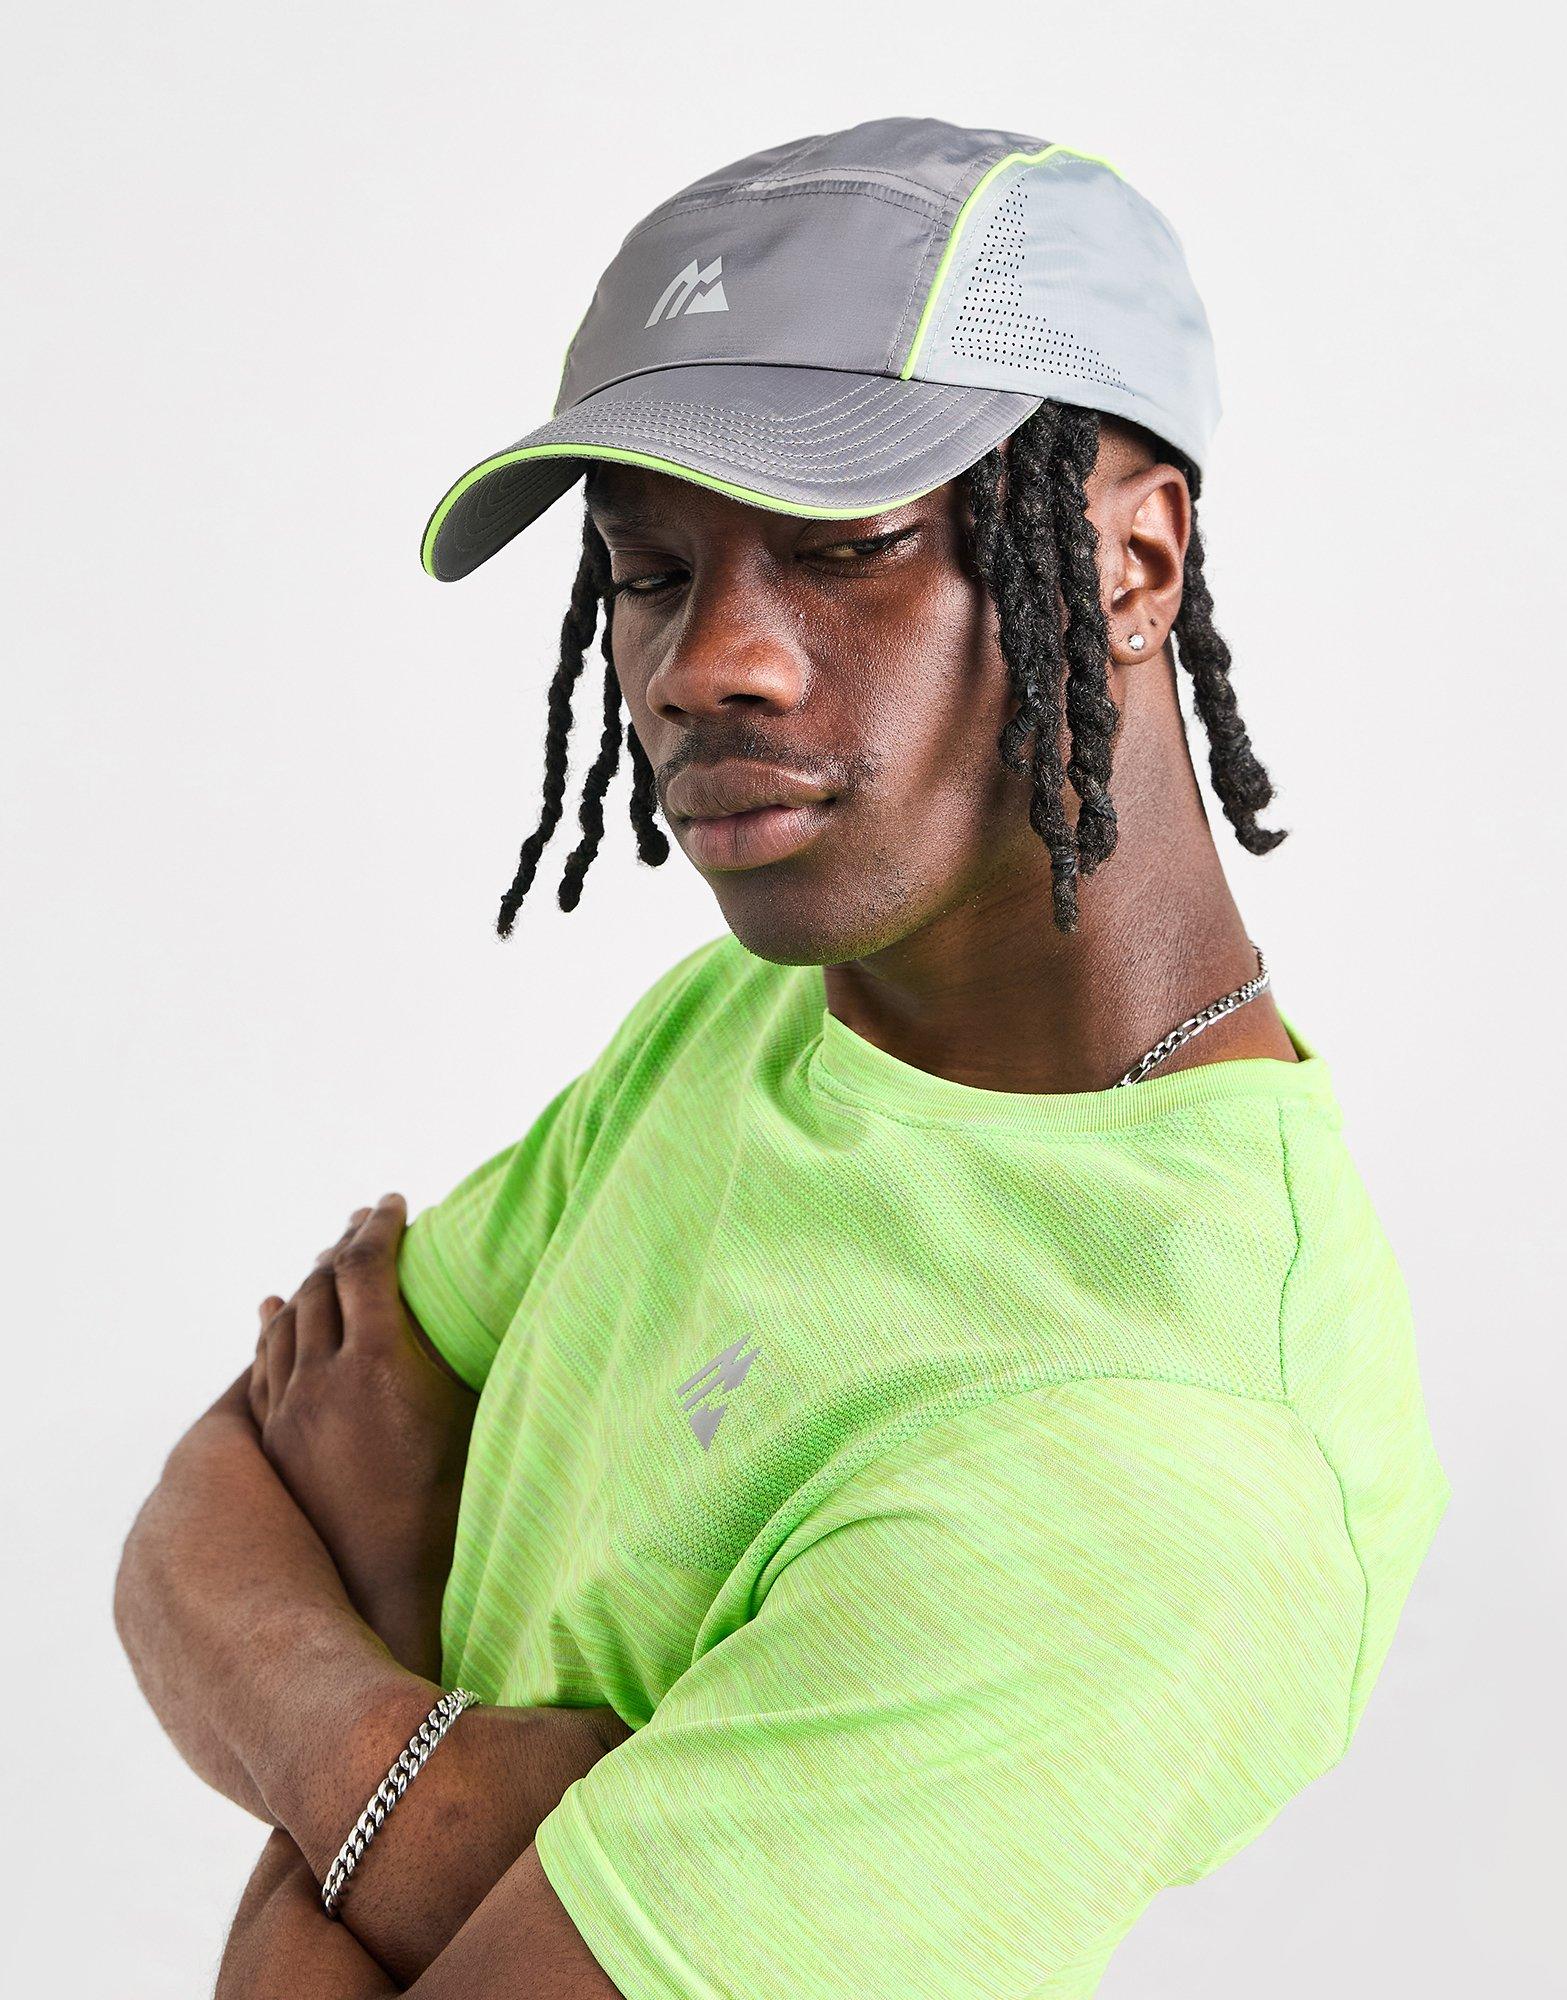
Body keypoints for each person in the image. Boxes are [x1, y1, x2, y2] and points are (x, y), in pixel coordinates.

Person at [115, 117, 1451, 1997]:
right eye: (651, 570)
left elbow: (270, 1592)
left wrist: (364, 1713)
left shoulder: (1159, 1443)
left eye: (846, 542)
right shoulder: (764, 1014)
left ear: (1133, 559)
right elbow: (191, 1521)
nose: (705, 665)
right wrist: (411, 1782)